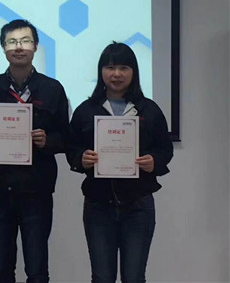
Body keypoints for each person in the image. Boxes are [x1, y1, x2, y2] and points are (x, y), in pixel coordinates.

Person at [67, 42, 173, 283]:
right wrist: (81, 158)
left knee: (134, 277)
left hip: (138, 205)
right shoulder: (86, 110)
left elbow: (165, 149)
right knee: (102, 277)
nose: (116, 74)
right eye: (110, 67)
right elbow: (71, 147)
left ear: (134, 72)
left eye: (124, 68)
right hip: (98, 205)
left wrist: (154, 162)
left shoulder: (149, 109)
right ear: (101, 71)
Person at [0, 19, 70, 283]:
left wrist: (47, 140)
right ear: (3, 47)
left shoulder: (52, 89)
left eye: (25, 41)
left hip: (36, 189)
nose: (19, 47)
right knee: (1, 268)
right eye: (12, 42)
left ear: (36, 46)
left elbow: (66, 137)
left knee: (37, 269)